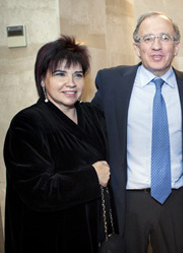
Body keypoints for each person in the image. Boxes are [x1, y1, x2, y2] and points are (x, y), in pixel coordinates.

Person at [92, 11, 183, 252]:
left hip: (176, 200)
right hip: (127, 200)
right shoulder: (112, 82)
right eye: (148, 39)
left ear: (176, 46)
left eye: (165, 38)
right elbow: (87, 127)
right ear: (136, 47)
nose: (156, 46)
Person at [4, 36, 110, 253]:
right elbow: (37, 190)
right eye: (60, 74)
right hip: (51, 240)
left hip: (95, 238)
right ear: (43, 79)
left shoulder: (93, 115)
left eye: (77, 75)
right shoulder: (27, 124)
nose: (71, 83)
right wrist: (91, 177)